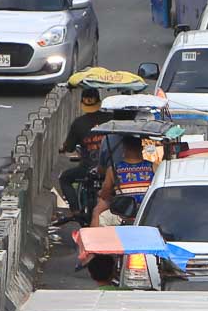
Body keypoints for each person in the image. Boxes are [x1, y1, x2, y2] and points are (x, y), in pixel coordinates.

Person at [59, 87, 107, 225]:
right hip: (108, 168)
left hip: (88, 168)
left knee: (65, 178)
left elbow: (69, 147)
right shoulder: (110, 118)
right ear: (99, 102)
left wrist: (63, 148)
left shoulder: (78, 123)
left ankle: (75, 211)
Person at [93, 134, 154, 224]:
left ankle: (95, 238)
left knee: (97, 213)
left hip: (123, 215)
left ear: (124, 149)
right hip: (147, 213)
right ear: (141, 148)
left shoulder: (114, 169)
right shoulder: (153, 167)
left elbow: (105, 195)